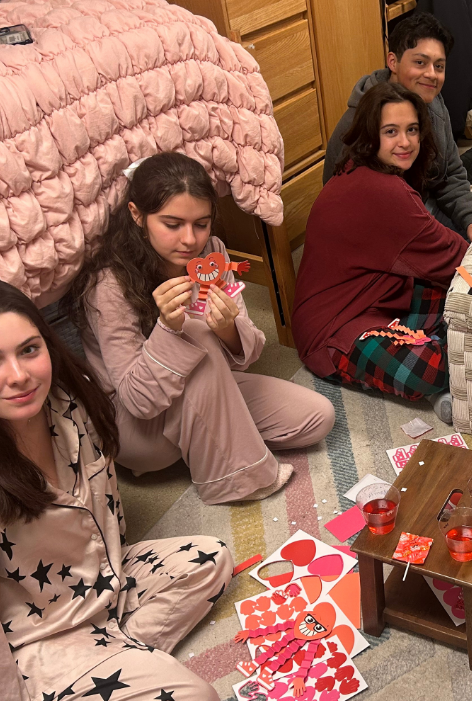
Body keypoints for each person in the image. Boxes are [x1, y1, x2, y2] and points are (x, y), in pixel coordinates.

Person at [0, 281, 232, 701]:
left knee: (211, 559)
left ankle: (107, 666)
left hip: (100, 589)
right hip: (32, 644)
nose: (18, 376)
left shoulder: (68, 401)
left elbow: (105, 515)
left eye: (28, 350)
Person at [69, 152, 334, 505]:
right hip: (136, 425)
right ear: (137, 214)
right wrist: (168, 329)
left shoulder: (212, 253)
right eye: (172, 224)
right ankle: (238, 481)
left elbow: (244, 359)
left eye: (201, 224)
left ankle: (206, 441)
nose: (189, 240)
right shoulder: (109, 284)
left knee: (316, 418)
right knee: (193, 331)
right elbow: (137, 401)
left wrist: (228, 329)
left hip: (204, 387)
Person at [293, 82, 468, 423]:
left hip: (379, 295)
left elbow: (443, 251)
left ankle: (446, 362)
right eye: (391, 132)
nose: (405, 142)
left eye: (412, 130)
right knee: (431, 367)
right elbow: (456, 255)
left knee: (459, 294)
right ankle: (452, 364)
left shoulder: (365, 170)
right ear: (371, 135)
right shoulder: (382, 189)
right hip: (334, 331)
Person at [322, 12, 472, 242]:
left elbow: (450, 173)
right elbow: (355, 213)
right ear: (393, 62)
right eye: (420, 63)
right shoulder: (363, 119)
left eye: (439, 66)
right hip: (383, 229)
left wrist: (470, 219)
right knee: (459, 252)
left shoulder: (433, 103)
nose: (432, 74)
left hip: (425, 205)